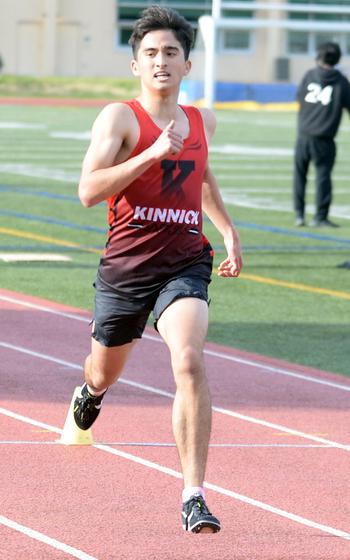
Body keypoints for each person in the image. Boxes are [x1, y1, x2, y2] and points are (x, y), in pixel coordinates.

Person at [73, 5, 242, 534]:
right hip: (126, 269)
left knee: (188, 361)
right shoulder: (119, 118)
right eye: (151, 53)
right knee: (103, 373)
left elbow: (202, 175)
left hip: (184, 261)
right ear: (136, 65)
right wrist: (148, 156)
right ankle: (91, 393)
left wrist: (228, 228)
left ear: (188, 64)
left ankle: (193, 494)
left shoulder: (201, 120)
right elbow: (87, 192)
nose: (161, 61)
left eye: (171, 52)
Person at [293, 41, 350, 227]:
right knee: (323, 177)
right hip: (325, 138)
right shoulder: (341, 81)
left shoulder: (310, 74)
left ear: (319, 56)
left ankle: (299, 215)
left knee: (300, 175)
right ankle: (320, 216)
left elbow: (299, 97)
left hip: (303, 135)